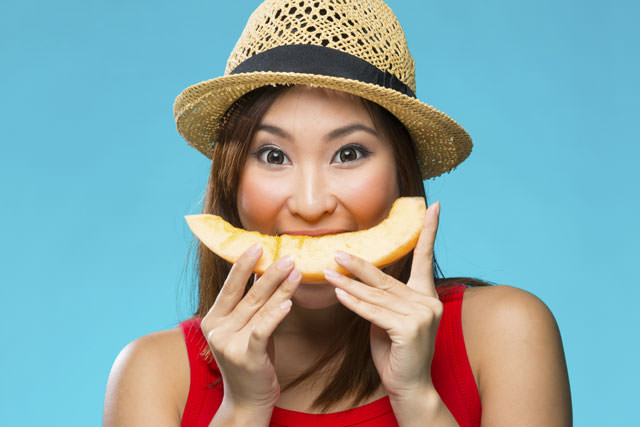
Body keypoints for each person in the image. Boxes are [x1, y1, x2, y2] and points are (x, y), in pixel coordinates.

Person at [103, 1, 572, 426]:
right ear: (232, 179)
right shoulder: (153, 375)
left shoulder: (508, 334)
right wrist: (242, 410)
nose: (310, 205)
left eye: (349, 153)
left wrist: (417, 397)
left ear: (400, 175)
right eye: (272, 155)